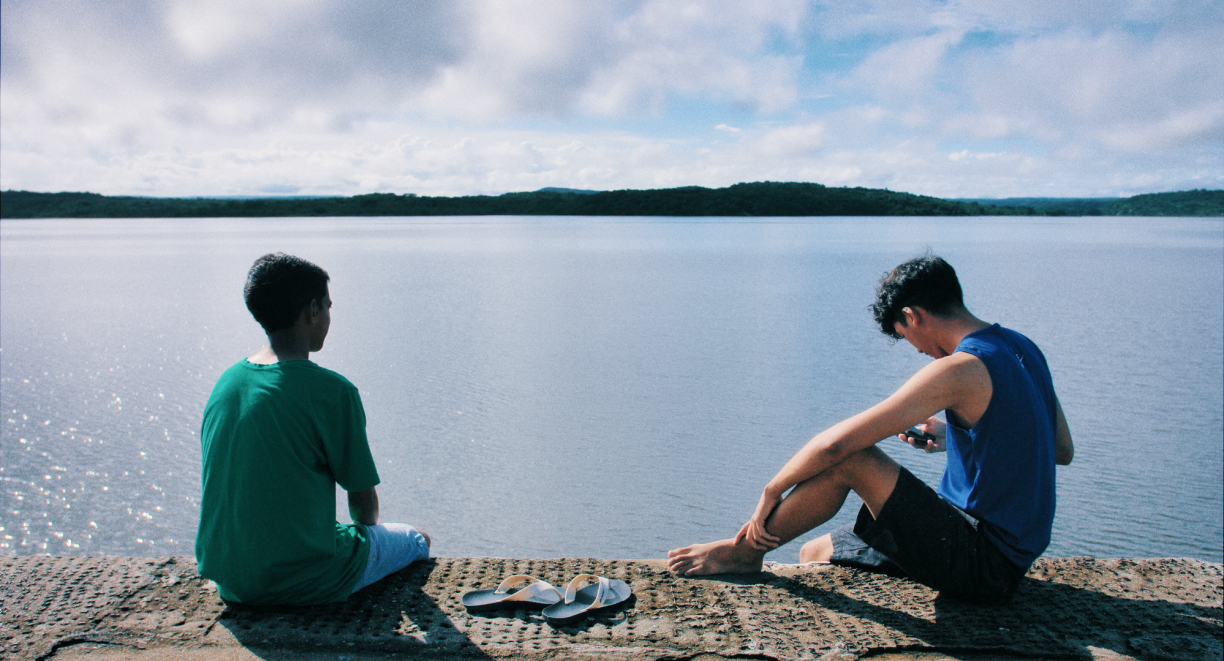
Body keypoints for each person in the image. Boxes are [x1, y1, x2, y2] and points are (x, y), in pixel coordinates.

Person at [667, 254, 1073, 603]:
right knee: (815, 552)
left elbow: (837, 445)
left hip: (983, 562)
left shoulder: (960, 368)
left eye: (906, 336)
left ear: (912, 316)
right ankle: (760, 551)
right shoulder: (1022, 346)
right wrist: (958, 437)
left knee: (854, 459)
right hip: (1000, 552)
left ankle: (743, 553)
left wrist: (770, 490)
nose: (917, 350)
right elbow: (1059, 449)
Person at [196, 253, 431, 606]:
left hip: (230, 578)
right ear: (312, 312)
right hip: (302, 578)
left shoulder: (227, 383)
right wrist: (362, 542)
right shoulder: (332, 392)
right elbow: (363, 508)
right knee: (416, 540)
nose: (329, 317)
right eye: (328, 307)